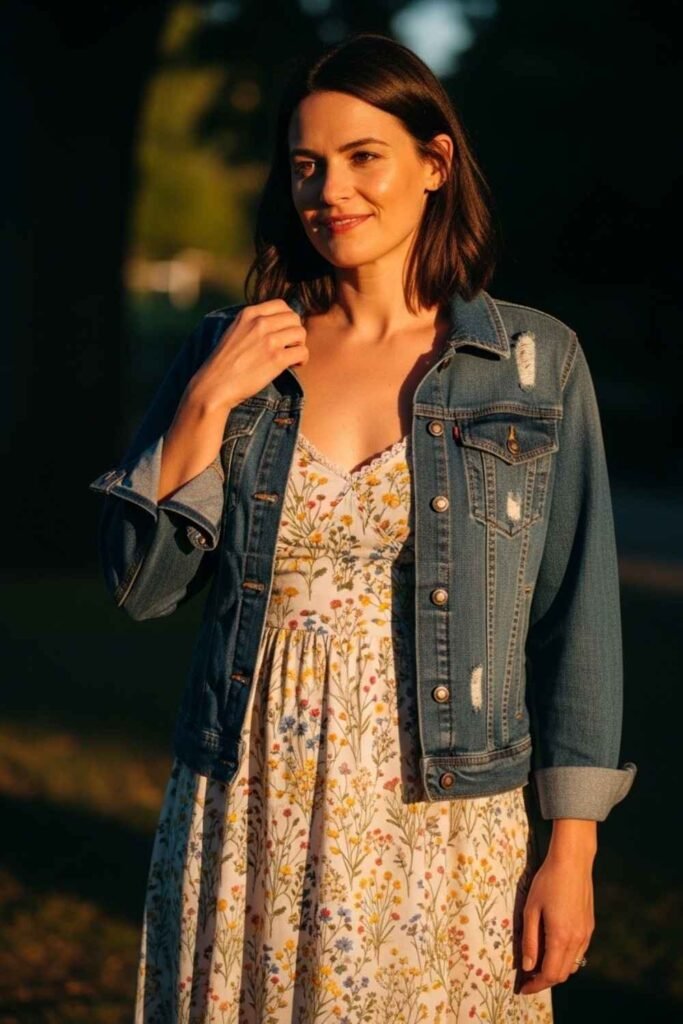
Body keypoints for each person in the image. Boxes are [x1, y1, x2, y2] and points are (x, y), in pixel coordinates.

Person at [88, 31, 637, 1024]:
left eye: (360, 156)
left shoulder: (531, 362)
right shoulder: (235, 349)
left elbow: (577, 620)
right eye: (304, 166)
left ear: (433, 163)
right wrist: (205, 403)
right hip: (248, 799)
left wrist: (571, 847)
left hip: (445, 815)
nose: (327, 190)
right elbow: (142, 586)